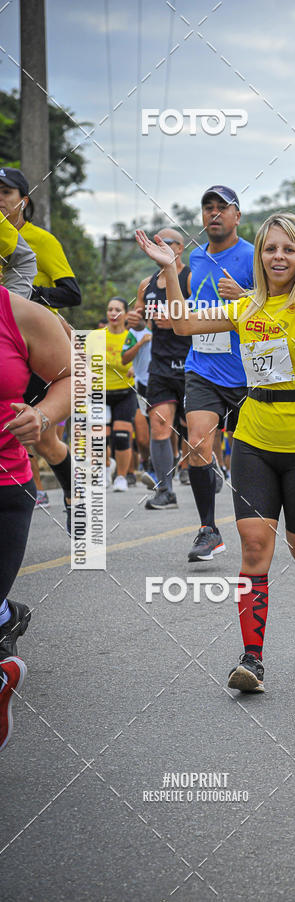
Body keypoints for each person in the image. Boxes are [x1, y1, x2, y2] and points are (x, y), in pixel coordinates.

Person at [136, 213, 295, 693]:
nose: (278, 257)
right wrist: (170, 270)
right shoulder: (247, 306)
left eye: (288, 249)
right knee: (254, 547)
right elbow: (184, 323)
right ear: (260, 254)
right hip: (253, 441)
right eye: (270, 248)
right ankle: (252, 659)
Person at [0, 283, 71, 749]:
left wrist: (43, 415)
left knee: (55, 446)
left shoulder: (18, 312)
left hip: (5, 481)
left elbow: (73, 375)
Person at [0, 167, 81, 531]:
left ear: (23, 201)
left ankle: (75, 498)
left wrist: (29, 298)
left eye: (6, 193)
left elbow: (72, 292)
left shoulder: (40, 241)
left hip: (35, 343)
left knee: (45, 440)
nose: (0, 199)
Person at [182, 186, 253, 559]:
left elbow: (275, 310)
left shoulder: (254, 257)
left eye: (221, 208)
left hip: (247, 374)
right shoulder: (195, 258)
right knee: (197, 443)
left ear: (237, 216)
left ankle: (256, 524)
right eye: (207, 207)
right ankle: (208, 529)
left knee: (246, 457)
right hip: (202, 367)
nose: (214, 214)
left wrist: (244, 296)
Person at [128, 228, 192, 507]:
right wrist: (137, 321)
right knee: (159, 424)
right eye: (156, 242)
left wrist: (180, 319)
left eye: (166, 242)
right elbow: (142, 320)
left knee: (196, 429)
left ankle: (204, 469)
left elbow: (210, 310)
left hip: (192, 362)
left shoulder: (191, 277)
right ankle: (165, 489)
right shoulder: (147, 283)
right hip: (161, 365)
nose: (160, 246)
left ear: (180, 248)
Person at [88, 298, 137, 491]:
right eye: (110, 309)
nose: (113, 313)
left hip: (125, 392)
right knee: (100, 437)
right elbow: (83, 360)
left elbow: (142, 361)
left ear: (125, 314)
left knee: (122, 436)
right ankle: (104, 469)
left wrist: (136, 368)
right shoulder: (95, 336)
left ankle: (122, 478)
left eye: (118, 309)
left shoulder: (130, 337)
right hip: (99, 392)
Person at [121, 315, 152, 483]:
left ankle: (166, 463)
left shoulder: (161, 326)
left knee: (163, 429)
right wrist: (140, 344)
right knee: (142, 438)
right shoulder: (133, 333)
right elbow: (125, 359)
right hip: (140, 388)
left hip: (161, 385)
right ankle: (146, 461)